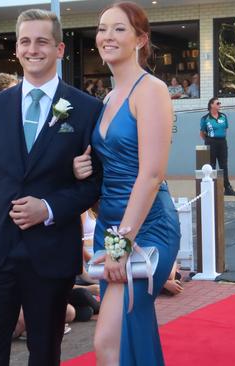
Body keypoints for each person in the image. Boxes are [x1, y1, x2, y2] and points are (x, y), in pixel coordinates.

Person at [0, 9, 103, 365]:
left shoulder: (86, 109)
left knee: (44, 353)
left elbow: (94, 185)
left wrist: (50, 207)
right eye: (25, 41)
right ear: (17, 49)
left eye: (41, 41)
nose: (32, 49)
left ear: (59, 49)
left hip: (51, 255)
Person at [72, 3, 180, 364]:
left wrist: (121, 244)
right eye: (103, 29)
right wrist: (83, 167)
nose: (107, 37)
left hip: (145, 227)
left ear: (140, 39)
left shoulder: (151, 90)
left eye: (119, 29)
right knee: (129, 330)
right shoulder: (107, 97)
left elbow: (151, 174)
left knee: (108, 338)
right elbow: (110, 164)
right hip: (110, 226)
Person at [200, 97, 235, 196]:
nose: (219, 105)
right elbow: (202, 133)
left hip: (222, 142)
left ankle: (227, 188)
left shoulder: (223, 116)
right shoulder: (205, 118)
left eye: (219, 103)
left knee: (224, 165)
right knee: (211, 165)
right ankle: (212, 188)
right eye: (217, 103)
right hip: (211, 142)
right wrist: (209, 140)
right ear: (211, 105)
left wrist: (220, 138)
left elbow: (225, 129)